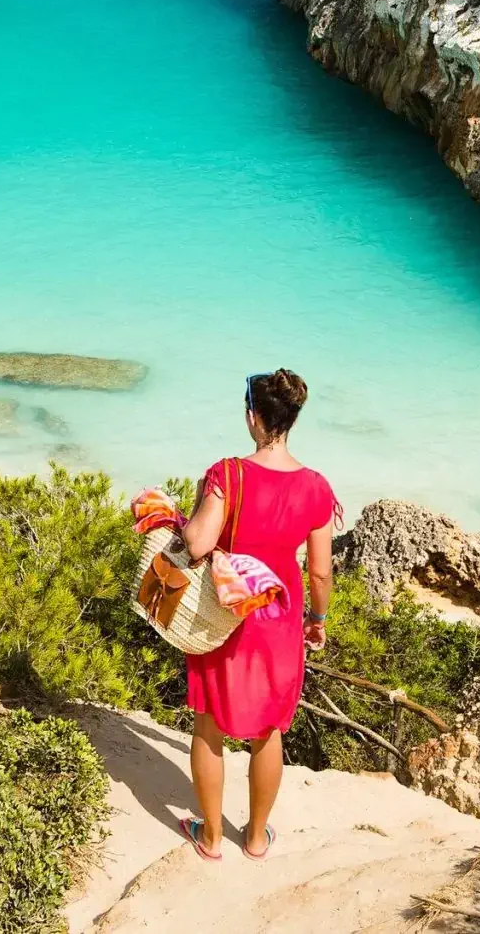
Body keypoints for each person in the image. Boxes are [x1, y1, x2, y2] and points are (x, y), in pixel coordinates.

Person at [178, 368, 335, 862]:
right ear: (291, 420)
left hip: (226, 616)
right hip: (280, 617)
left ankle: (209, 839)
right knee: (270, 731)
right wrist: (317, 618)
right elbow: (322, 572)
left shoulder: (228, 474)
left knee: (209, 723)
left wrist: (181, 525)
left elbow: (200, 542)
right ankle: (255, 837)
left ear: (252, 416)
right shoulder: (316, 486)